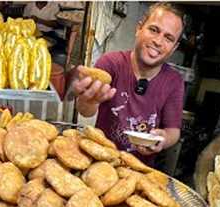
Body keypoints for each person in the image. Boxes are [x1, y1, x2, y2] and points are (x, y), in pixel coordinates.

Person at [72, 3, 185, 165]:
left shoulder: (174, 81)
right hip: (102, 162)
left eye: (168, 38)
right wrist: (87, 101)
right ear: (139, 29)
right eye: (153, 30)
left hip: (140, 169)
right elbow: (86, 112)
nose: (158, 41)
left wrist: (163, 138)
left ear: (174, 48)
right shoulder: (111, 63)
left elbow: (173, 131)